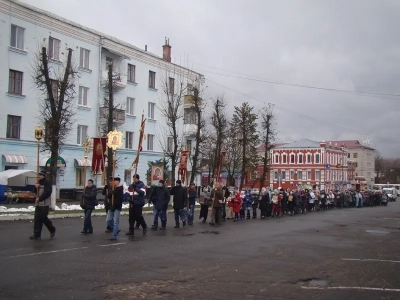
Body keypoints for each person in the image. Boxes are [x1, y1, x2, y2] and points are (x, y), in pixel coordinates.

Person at [30, 171, 56, 240]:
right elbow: (35, 191)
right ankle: (36, 234)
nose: (40, 176)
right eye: (39, 175)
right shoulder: (38, 183)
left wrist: (40, 199)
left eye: (41, 175)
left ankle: (52, 229)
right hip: (38, 203)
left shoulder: (46, 183)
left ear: (44, 176)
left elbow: (47, 192)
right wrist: (36, 187)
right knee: (37, 219)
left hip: (44, 203)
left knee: (43, 218)